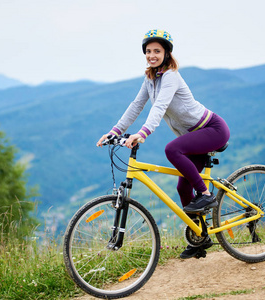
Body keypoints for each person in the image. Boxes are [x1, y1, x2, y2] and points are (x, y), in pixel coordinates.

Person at [96, 29, 230, 259]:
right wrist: (114, 131)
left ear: (166, 53)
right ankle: (200, 237)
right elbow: (136, 106)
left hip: (212, 129)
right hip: (194, 137)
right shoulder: (150, 79)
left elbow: (159, 107)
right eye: (148, 51)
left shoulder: (171, 76)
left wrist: (143, 133)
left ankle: (206, 194)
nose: (151, 55)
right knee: (182, 187)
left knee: (172, 149)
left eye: (157, 51)